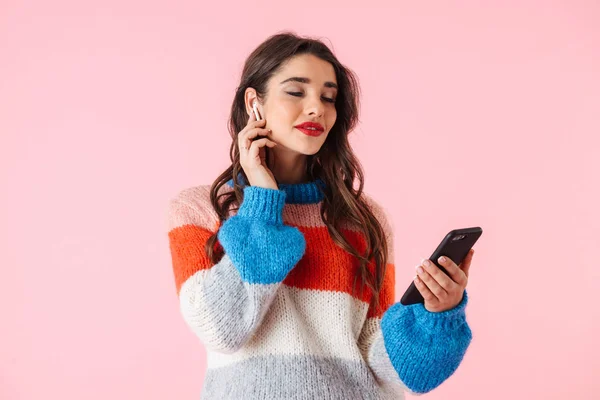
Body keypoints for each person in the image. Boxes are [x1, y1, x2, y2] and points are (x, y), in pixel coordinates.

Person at [166, 31, 474, 400]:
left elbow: (384, 366)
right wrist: (263, 201)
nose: (317, 108)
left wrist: (438, 315)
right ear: (254, 102)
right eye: (296, 92)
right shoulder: (200, 210)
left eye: (328, 97)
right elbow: (220, 329)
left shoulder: (363, 220)